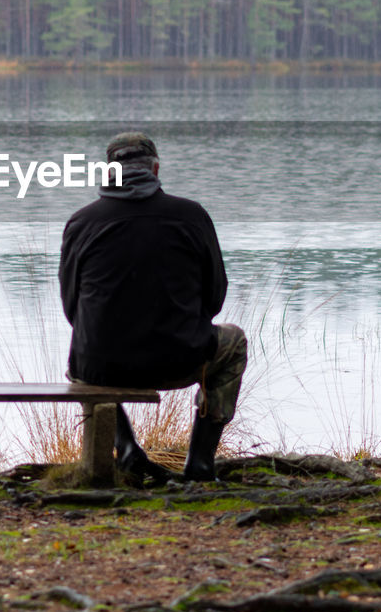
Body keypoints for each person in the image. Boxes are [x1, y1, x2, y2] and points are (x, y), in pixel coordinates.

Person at [58, 131, 247, 483]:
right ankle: (201, 465)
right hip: (181, 359)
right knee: (233, 343)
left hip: (103, 368)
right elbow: (215, 298)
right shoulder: (192, 216)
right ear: (156, 169)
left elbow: (72, 310)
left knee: (79, 360)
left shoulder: (81, 222)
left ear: (109, 172)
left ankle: (126, 448)